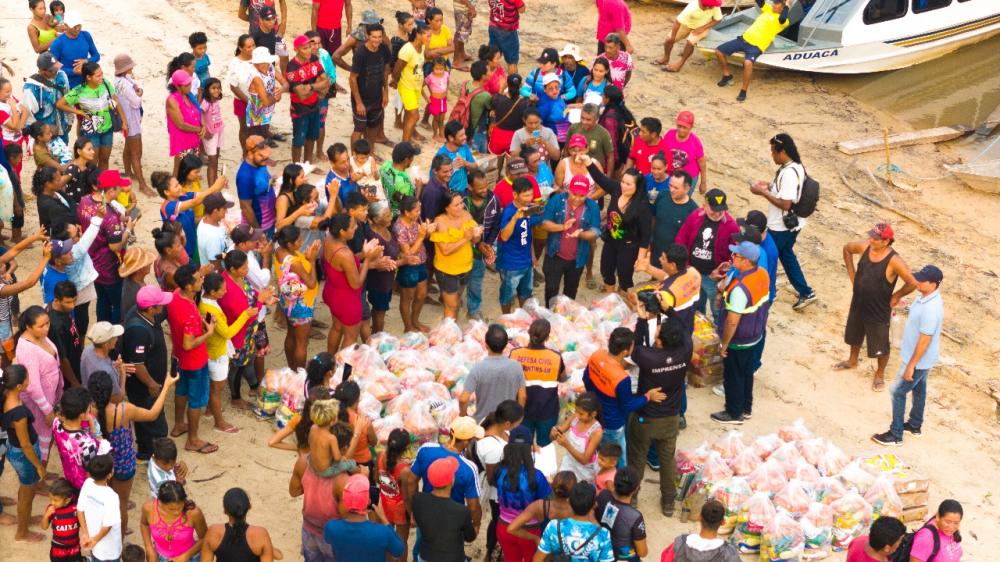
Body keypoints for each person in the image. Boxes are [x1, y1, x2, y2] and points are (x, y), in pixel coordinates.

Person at [89, 369, 177, 537]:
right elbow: (152, 414)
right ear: (110, 390)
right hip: (123, 465)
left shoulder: (89, 413)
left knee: (105, 503)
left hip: (101, 465)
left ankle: (104, 534)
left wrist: (122, 375)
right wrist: (166, 386)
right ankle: (119, 541)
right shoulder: (123, 410)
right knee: (121, 505)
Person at [836, 222, 918, 391]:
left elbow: (912, 283)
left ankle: (879, 374)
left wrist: (896, 295)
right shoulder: (864, 247)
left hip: (879, 307)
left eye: (875, 238)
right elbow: (846, 249)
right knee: (854, 333)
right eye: (871, 236)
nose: (870, 240)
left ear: (886, 241)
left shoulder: (894, 261)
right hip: (858, 301)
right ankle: (852, 361)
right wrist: (853, 276)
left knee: (880, 342)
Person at [872, 265, 944, 446]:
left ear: (934, 284)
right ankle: (914, 425)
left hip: (918, 358)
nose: (917, 281)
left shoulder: (931, 309)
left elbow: (924, 340)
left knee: (897, 391)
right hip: (920, 357)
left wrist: (911, 365)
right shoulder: (924, 297)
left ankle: (896, 434)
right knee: (919, 389)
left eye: (922, 280)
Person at [627, 312, 690, 516]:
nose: (655, 336)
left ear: (661, 342)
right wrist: (669, 309)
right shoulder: (685, 350)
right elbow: (683, 328)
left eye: (658, 334)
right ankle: (668, 501)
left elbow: (634, 348)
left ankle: (633, 496)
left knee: (637, 458)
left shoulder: (648, 357)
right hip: (671, 417)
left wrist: (642, 319)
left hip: (647, 417)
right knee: (667, 459)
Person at [750, 133, 817, 310]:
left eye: (773, 152)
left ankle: (767, 293)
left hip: (780, 227)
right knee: (786, 256)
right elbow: (788, 192)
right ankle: (806, 292)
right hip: (794, 225)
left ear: (783, 152)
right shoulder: (796, 166)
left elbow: (786, 203)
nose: (772, 155)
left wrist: (762, 193)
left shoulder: (788, 173)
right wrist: (771, 186)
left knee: (768, 257)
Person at [583, 328, 666, 464]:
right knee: (618, 458)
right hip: (613, 424)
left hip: (595, 416)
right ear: (626, 351)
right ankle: (620, 481)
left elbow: (586, 379)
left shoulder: (596, 356)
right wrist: (648, 397)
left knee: (599, 451)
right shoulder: (621, 378)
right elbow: (628, 406)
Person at [711, 241, 771, 425]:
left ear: (746, 261)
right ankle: (746, 408)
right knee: (746, 373)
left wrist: (725, 344)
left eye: (736, 256)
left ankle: (733, 413)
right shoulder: (762, 273)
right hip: (754, 335)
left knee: (733, 376)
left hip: (739, 338)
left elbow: (732, 320)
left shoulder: (740, 290)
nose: (733, 257)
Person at [401, 416, 483, 538]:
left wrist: (414, 510)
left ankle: (417, 557)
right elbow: (473, 506)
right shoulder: (469, 468)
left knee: (423, 542)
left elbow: (411, 481)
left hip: (426, 513)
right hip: (452, 520)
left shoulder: (426, 449)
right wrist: (476, 524)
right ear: (466, 442)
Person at [166, 264, 217, 454]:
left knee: (181, 389)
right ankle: (193, 439)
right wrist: (208, 332)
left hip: (179, 356)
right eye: (198, 279)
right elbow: (189, 344)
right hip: (194, 359)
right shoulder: (188, 311)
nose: (202, 280)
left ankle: (179, 424)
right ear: (189, 286)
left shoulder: (175, 295)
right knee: (195, 399)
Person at [582, 154, 651, 293]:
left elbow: (645, 236)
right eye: (623, 182)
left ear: (637, 187)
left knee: (625, 277)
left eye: (628, 184)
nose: (624, 186)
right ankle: (610, 298)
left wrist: (640, 259)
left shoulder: (642, 206)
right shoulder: (616, 189)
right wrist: (588, 162)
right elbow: (600, 179)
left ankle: (624, 300)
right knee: (606, 271)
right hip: (611, 241)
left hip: (629, 247)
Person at [123, 286, 173, 461]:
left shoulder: (145, 315)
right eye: (160, 304)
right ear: (151, 308)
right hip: (144, 386)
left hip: (150, 382)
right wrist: (152, 384)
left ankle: (146, 450)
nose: (163, 307)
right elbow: (138, 364)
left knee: (148, 421)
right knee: (156, 425)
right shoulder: (139, 330)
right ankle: (152, 455)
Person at [199, 272, 253, 433]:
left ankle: (210, 410)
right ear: (213, 292)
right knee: (217, 389)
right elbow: (227, 333)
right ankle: (219, 422)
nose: (225, 292)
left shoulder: (205, 301)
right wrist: (245, 315)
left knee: (213, 386)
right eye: (222, 290)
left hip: (214, 349)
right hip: (216, 353)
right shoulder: (211, 310)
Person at [675, 188, 739, 322]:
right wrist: (684, 265)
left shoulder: (731, 226)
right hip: (692, 271)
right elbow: (682, 238)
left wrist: (723, 273)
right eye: (713, 210)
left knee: (717, 310)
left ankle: (718, 332)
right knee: (696, 305)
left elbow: (736, 253)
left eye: (721, 210)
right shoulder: (695, 216)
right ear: (705, 205)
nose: (717, 214)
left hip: (713, 277)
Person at [323, 213, 383, 351]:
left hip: (332, 292)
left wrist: (363, 254)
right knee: (350, 338)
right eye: (352, 226)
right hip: (347, 300)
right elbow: (356, 284)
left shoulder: (329, 239)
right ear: (342, 232)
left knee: (336, 328)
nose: (356, 227)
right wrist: (368, 259)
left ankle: (329, 365)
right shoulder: (345, 253)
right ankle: (341, 370)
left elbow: (345, 264)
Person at [474, 400, 524, 561]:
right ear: (507, 423)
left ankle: (493, 550)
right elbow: (492, 478)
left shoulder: (490, 423)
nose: (517, 428)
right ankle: (493, 551)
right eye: (517, 424)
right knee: (498, 521)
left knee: (497, 521)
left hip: (500, 486)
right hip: (498, 493)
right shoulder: (494, 448)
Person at [495, 426, 553, 562]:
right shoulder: (537, 475)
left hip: (504, 526)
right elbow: (544, 505)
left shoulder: (499, 470)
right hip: (530, 530)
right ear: (530, 448)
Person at [2, 365, 47, 542]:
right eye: (27, 378)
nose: (30, 380)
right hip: (24, 455)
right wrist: (39, 466)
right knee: (27, 495)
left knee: (25, 488)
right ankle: (22, 532)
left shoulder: (6, 394)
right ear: (19, 386)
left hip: (16, 450)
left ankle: (25, 519)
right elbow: (26, 445)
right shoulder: (19, 414)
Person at [540, 175, 601, 303]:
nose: (577, 198)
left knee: (571, 291)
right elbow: (545, 223)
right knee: (551, 289)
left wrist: (581, 235)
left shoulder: (592, 206)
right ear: (568, 189)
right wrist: (562, 226)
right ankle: (551, 315)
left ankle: (565, 319)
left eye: (582, 195)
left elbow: (595, 231)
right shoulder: (556, 200)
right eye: (574, 194)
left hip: (577, 258)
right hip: (555, 254)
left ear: (588, 193)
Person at [56, 62, 127, 170]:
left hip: (107, 129)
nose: (101, 78)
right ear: (88, 77)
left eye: (101, 74)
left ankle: (103, 185)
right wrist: (78, 112)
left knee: (104, 159)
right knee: (92, 161)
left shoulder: (105, 84)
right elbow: (60, 104)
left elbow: (115, 101)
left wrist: (124, 121)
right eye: (98, 76)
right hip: (91, 132)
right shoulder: (79, 91)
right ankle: (92, 185)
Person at [714, 0, 789, 102]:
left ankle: (743, 91)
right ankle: (727, 75)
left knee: (748, 63)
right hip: (743, 40)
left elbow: (783, 17)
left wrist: (788, 5)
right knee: (719, 51)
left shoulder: (783, 21)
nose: (773, 6)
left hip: (756, 46)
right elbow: (760, 2)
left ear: (782, 8)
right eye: (773, 4)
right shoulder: (768, 10)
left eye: (776, 5)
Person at [15, 306, 63, 463]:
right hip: (39, 405)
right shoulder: (26, 349)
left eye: (47, 323)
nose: (46, 328)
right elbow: (32, 386)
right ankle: (40, 478)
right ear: (28, 327)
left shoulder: (41, 336)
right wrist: (48, 411)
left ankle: (43, 472)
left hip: (50, 398)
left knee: (48, 438)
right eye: (41, 326)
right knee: (42, 439)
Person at [507, 319, 564, 445]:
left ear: (529, 332)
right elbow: (562, 377)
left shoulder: (515, 353)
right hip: (547, 411)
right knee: (544, 448)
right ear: (547, 337)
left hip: (521, 410)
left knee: (521, 445)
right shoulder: (555, 357)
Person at [324, 473, 406, 561]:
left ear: (344, 500)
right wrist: (384, 519)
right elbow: (399, 550)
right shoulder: (382, 532)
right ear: (368, 501)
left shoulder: (331, 527)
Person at [411, 456, 478, 562]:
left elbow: (417, 521)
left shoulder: (417, 499)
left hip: (425, 556)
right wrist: (476, 526)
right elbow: (470, 537)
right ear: (452, 480)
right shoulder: (461, 511)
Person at [535, 481, 614, 562]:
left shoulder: (554, 526)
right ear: (594, 505)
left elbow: (537, 559)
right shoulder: (603, 534)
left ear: (568, 501)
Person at [496, 178, 544, 312]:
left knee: (525, 294)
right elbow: (504, 236)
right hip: (511, 265)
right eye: (526, 195)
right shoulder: (509, 212)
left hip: (527, 262)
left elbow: (529, 232)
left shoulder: (529, 209)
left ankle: (522, 318)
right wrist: (515, 218)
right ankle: (506, 318)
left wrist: (532, 255)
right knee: (507, 296)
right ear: (515, 195)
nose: (530, 199)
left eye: (531, 194)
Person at [460, 324, 526, 421]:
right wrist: (518, 418)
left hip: (483, 423)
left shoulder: (478, 368)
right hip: (506, 422)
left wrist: (463, 415)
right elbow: (523, 396)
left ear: (486, 345)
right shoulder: (516, 366)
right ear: (506, 345)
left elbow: (463, 399)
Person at [431, 192, 481, 318]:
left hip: (466, 268)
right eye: (456, 205)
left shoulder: (467, 215)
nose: (461, 207)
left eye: (461, 203)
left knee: (456, 300)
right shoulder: (440, 222)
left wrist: (476, 235)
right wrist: (465, 238)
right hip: (447, 271)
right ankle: (449, 333)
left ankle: (453, 329)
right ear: (446, 207)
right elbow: (445, 250)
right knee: (452, 306)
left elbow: (475, 241)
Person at [286, 35, 332, 164]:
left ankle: (308, 164)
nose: (309, 50)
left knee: (311, 137)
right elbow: (300, 94)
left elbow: (326, 81)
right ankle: (296, 167)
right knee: (298, 141)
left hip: (314, 105)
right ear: (296, 49)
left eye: (309, 47)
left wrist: (310, 88)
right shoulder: (292, 68)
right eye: (305, 48)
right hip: (299, 109)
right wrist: (317, 87)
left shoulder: (313, 59)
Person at [201, 487, 281, 561]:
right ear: (249, 507)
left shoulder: (213, 532)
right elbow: (279, 556)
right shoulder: (260, 534)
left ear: (225, 511)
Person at [112, 53, 152, 196]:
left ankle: (128, 171)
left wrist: (138, 91)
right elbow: (135, 102)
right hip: (131, 120)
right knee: (136, 152)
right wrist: (139, 94)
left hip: (127, 119)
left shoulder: (119, 80)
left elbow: (136, 87)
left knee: (128, 147)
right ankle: (142, 184)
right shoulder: (124, 83)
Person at [139, 480, 208, 562]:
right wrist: (149, 548)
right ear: (159, 502)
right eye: (171, 509)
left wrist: (186, 556)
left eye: (180, 507)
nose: (177, 512)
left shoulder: (193, 513)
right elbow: (144, 524)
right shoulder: (149, 508)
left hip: (190, 558)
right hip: (159, 558)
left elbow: (205, 538)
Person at [464, 170, 500, 321]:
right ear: (470, 187)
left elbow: (496, 225)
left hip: (481, 251)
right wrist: (477, 243)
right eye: (480, 188)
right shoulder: (462, 201)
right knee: (460, 282)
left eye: (486, 186)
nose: (485, 190)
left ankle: (473, 308)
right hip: (463, 249)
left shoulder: (494, 200)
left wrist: (488, 243)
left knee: (476, 281)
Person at [507, 471, 577, 547]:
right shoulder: (578, 508)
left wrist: (535, 538)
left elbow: (511, 528)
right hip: (569, 552)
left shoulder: (540, 505)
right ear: (574, 490)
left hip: (545, 551)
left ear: (552, 485)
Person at [394, 197, 432, 332]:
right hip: (408, 266)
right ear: (407, 212)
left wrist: (428, 231)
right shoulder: (399, 228)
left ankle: (415, 321)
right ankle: (408, 326)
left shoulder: (415, 220)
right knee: (407, 298)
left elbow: (422, 237)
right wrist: (422, 236)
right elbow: (408, 254)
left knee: (421, 294)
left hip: (421, 261)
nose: (419, 213)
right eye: (416, 210)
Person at [350, 23, 392, 146]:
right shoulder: (360, 53)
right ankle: (354, 158)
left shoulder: (383, 49)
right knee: (359, 129)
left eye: (379, 37)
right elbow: (352, 79)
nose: (377, 40)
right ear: (367, 36)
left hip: (377, 96)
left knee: (373, 126)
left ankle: (371, 152)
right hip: (361, 98)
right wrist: (358, 103)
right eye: (374, 37)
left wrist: (385, 92)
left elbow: (385, 71)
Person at [660, 499, 741, 562]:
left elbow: (666, 559)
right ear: (723, 522)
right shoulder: (728, 553)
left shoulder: (680, 542)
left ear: (699, 517)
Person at [654, 0, 723, 72]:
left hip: (703, 26)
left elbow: (718, 19)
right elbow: (677, 22)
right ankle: (665, 58)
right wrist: (672, 37)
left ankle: (679, 64)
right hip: (687, 25)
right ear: (706, 5)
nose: (713, 7)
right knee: (668, 40)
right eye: (712, 6)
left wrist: (702, 28)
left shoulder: (714, 5)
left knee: (690, 42)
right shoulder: (692, 8)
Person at [77, 455, 123, 562]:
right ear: (109, 475)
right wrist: (95, 540)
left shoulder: (87, 483)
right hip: (110, 549)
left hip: (92, 540)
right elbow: (107, 526)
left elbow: (80, 510)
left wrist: (85, 534)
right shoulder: (112, 496)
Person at [594, 467, 646, 560]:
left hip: (601, 548)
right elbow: (642, 552)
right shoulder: (635, 517)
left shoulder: (603, 495)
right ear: (636, 488)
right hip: (622, 555)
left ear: (614, 482)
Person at [22, 52, 73, 146]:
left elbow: (68, 98)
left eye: (57, 68)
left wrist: (69, 120)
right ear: (42, 70)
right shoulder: (31, 89)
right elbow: (28, 116)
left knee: (64, 157)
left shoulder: (62, 76)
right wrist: (43, 132)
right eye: (52, 70)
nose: (56, 71)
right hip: (45, 137)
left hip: (62, 127)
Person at [551, 392, 603, 483]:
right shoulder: (575, 417)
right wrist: (554, 433)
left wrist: (567, 445)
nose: (577, 415)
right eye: (576, 411)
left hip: (585, 471)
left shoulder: (596, 432)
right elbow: (558, 433)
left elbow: (585, 460)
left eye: (581, 414)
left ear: (593, 414)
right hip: (568, 463)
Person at [377, 428, 413, 561]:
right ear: (406, 448)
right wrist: (412, 515)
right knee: (401, 542)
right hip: (400, 509)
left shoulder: (380, 456)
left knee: (386, 539)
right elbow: (407, 497)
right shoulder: (405, 470)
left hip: (385, 504)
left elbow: (377, 478)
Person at [392, 23, 430, 144]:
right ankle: (405, 143)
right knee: (415, 116)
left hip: (416, 87)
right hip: (407, 86)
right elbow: (397, 70)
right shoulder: (407, 50)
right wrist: (395, 82)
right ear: (418, 35)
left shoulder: (422, 47)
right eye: (427, 36)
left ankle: (408, 137)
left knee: (409, 115)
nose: (429, 39)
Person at [650, 170, 698, 263]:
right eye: (670, 185)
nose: (671, 190)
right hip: (655, 251)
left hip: (673, 259)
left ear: (687, 189)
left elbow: (691, 239)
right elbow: (653, 217)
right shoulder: (663, 195)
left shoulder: (693, 211)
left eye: (676, 188)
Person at [237, 135, 278, 241]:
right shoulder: (245, 176)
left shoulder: (260, 162)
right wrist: (258, 232)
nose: (266, 160)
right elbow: (245, 207)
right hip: (260, 225)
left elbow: (262, 180)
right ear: (250, 154)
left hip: (270, 220)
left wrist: (271, 180)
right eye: (262, 156)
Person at [163, 70, 204, 176]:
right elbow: (180, 124)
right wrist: (199, 129)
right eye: (186, 85)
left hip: (193, 139)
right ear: (178, 86)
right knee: (180, 169)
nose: (189, 86)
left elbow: (198, 112)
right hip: (182, 141)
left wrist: (202, 125)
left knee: (191, 170)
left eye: (190, 83)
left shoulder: (189, 96)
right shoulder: (172, 100)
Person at [47, 12, 100, 89]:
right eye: (74, 26)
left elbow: (96, 56)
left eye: (79, 25)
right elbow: (52, 68)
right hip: (67, 85)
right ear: (65, 25)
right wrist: (72, 72)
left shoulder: (85, 35)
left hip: (86, 82)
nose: (77, 28)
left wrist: (86, 61)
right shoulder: (58, 43)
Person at [566, 104, 614, 174]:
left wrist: (608, 178)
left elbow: (610, 157)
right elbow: (566, 150)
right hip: (575, 171)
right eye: (582, 118)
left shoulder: (603, 133)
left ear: (596, 119)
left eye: (588, 119)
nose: (584, 122)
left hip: (595, 173)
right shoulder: (573, 128)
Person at [489, 74, 528, 156]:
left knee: (496, 160)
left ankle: (499, 169)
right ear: (520, 85)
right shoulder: (525, 102)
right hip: (515, 137)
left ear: (507, 84)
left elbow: (496, 100)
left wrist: (502, 88)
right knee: (512, 163)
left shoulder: (498, 99)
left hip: (498, 135)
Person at [40, 478, 82, 555]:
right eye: (50, 499)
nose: (52, 502)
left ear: (67, 500)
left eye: (55, 500)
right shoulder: (51, 509)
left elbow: (83, 524)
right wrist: (46, 515)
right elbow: (44, 527)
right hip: (57, 548)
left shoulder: (76, 509)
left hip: (74, 548)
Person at [437, 121, 478, 193]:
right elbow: (435, 179)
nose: (465, 137)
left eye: (464, 134)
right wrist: (451, 168)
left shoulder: (464, 147)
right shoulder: (441, 155)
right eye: (461, 135)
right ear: (451, 138)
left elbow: (475, 166)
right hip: (449, 194)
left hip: (464, 191)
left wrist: (465, 163)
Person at [487, 0, 526, 75]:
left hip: (493, 26)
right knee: (512, 61)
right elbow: (522, 9)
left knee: (493, 55)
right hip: (508, 30)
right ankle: (513, 83)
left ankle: (489, 80)